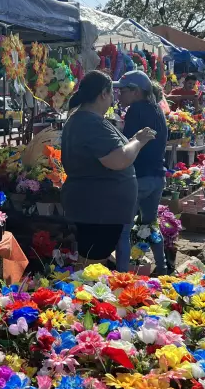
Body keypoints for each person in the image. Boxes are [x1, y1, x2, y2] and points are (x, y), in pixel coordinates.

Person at [61, 71, 155, 266]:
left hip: (99, 209)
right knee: (92, 267)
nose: (113, 99)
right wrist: (138, 141)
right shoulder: (89, 122)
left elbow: (112, 153)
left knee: (92, 263)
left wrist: (131, 142)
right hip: (98, 210)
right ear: (103, 93)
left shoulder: (87, 119)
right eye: (112, 94)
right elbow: (118, 160)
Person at [115, 70, 169, 274]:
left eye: (122, 90)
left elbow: (127, 145)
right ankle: (162, 268)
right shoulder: (157, 109)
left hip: (139, 177)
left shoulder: (135, 110)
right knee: (150, 225)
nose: (119, 95)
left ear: (136, 92)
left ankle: (121, 275)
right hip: (157, 176)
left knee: (124, 230)